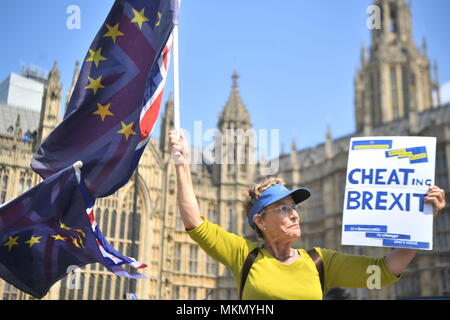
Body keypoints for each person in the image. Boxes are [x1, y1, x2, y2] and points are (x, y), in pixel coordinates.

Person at [169, 130, 446, 300]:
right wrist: (181, 163)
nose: (295, 215)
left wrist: (420, 221)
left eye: (295, 207)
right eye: (285, 208)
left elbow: (386, 270)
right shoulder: (243, 255)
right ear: (260, 221)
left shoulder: (320, 262)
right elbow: (195, 222)